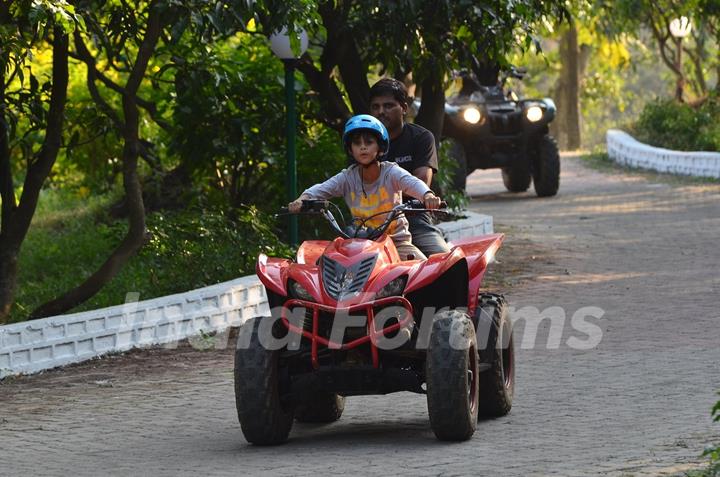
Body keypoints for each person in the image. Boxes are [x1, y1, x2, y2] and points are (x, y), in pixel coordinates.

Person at [288, 114, 442, 260]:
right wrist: (303, 199)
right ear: (350, 149)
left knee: (423, 273)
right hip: (358, 245)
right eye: (357, 143)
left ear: (380, 147)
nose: (363, 147)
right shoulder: (347, 177)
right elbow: (320, 189)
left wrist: (427, 195)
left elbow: (413, 183)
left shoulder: (391, 172)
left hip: (396, 244)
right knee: (324, 267)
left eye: (368, 142)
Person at [368, 78, 451, 256]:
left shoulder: (421, 137)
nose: (381, 112)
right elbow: (349, 180)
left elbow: (420, 183)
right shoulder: (361, 142)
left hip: (413, 219)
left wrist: (379, 185)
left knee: (444, 262)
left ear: (404, 108)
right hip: (367, 221)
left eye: (388, 106)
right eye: (376, 107)